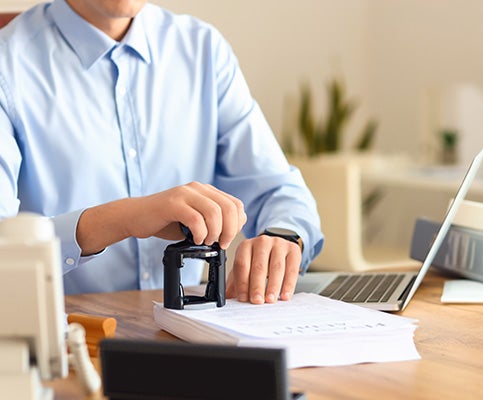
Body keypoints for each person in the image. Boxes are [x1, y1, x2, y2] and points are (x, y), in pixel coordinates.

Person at [0, 0, 324, 304]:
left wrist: (282, 237)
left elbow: (278, 190)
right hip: (70, 342)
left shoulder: (203, 51)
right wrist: (124, 218)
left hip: (193, 335)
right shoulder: (8, 64)